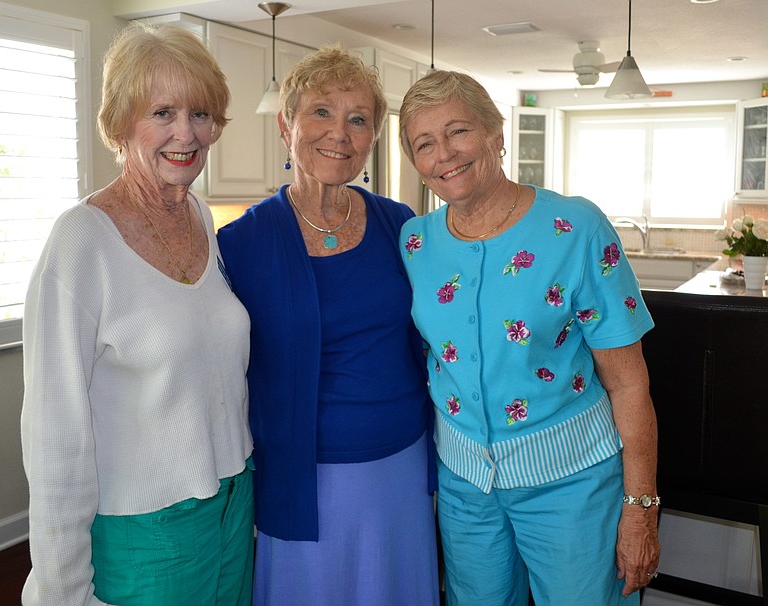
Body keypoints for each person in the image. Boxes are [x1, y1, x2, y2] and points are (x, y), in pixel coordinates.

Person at [397, 70, 661, 605]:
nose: (444, 153)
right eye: (424, 144)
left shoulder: (576, 227)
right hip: (466, 488)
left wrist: (641, 507)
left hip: (574, 484)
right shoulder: (414, 242)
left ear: (496, 133)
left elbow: (629, 384)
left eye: (458, 131)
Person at [20, 23, 254, 606]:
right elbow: (54, 434)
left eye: (200, 113)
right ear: (122, 122)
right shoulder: (80, 242)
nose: (186, 133)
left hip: (233, 504)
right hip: (145, 529)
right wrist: (62, 590)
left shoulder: (201, 217)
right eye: (163, 112)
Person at [217, 45, 439, 606]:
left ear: (371, 140)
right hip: (304, 475)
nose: (339, 132)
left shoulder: (401, 225)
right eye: (321, 112)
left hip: (402, 462)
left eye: (358, 119)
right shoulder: (241, 243)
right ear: (285, 127)